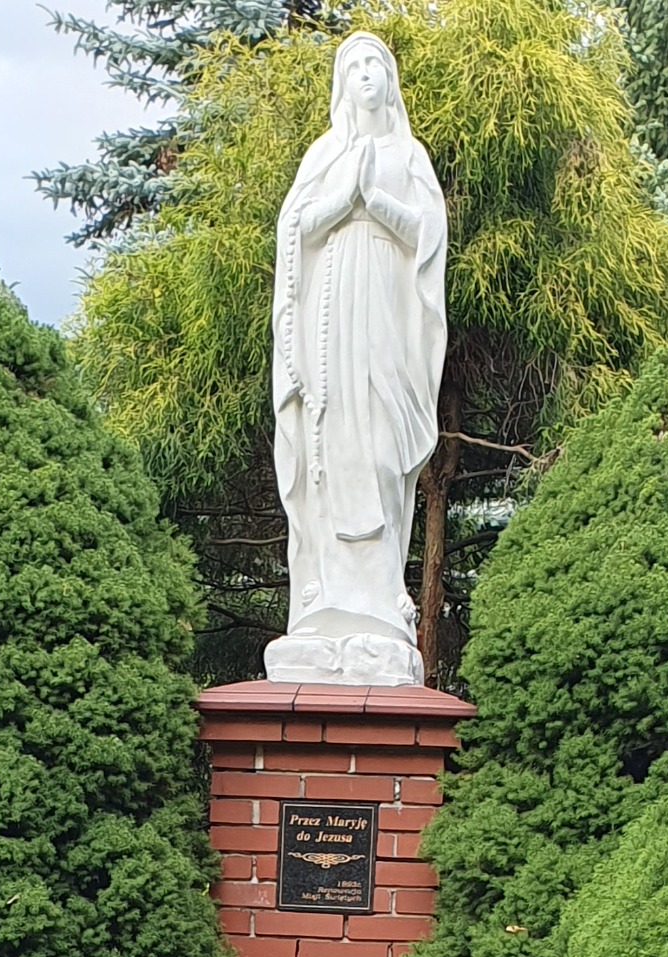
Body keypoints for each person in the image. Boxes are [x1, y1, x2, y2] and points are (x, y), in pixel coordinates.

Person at [268, 32, 447, 684]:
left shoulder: (408, 154)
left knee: (378, 451)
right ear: (342, 85)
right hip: (330, 314)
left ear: (390, 80)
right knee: (333, 448)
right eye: (355, 66)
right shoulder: (324, 153)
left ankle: (378, 602)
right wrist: (342, 201)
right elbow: (296, 231)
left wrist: (379, 205)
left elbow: (429, 237)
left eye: (376, 64)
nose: (366, 74)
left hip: (385, 315)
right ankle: (326, 601)